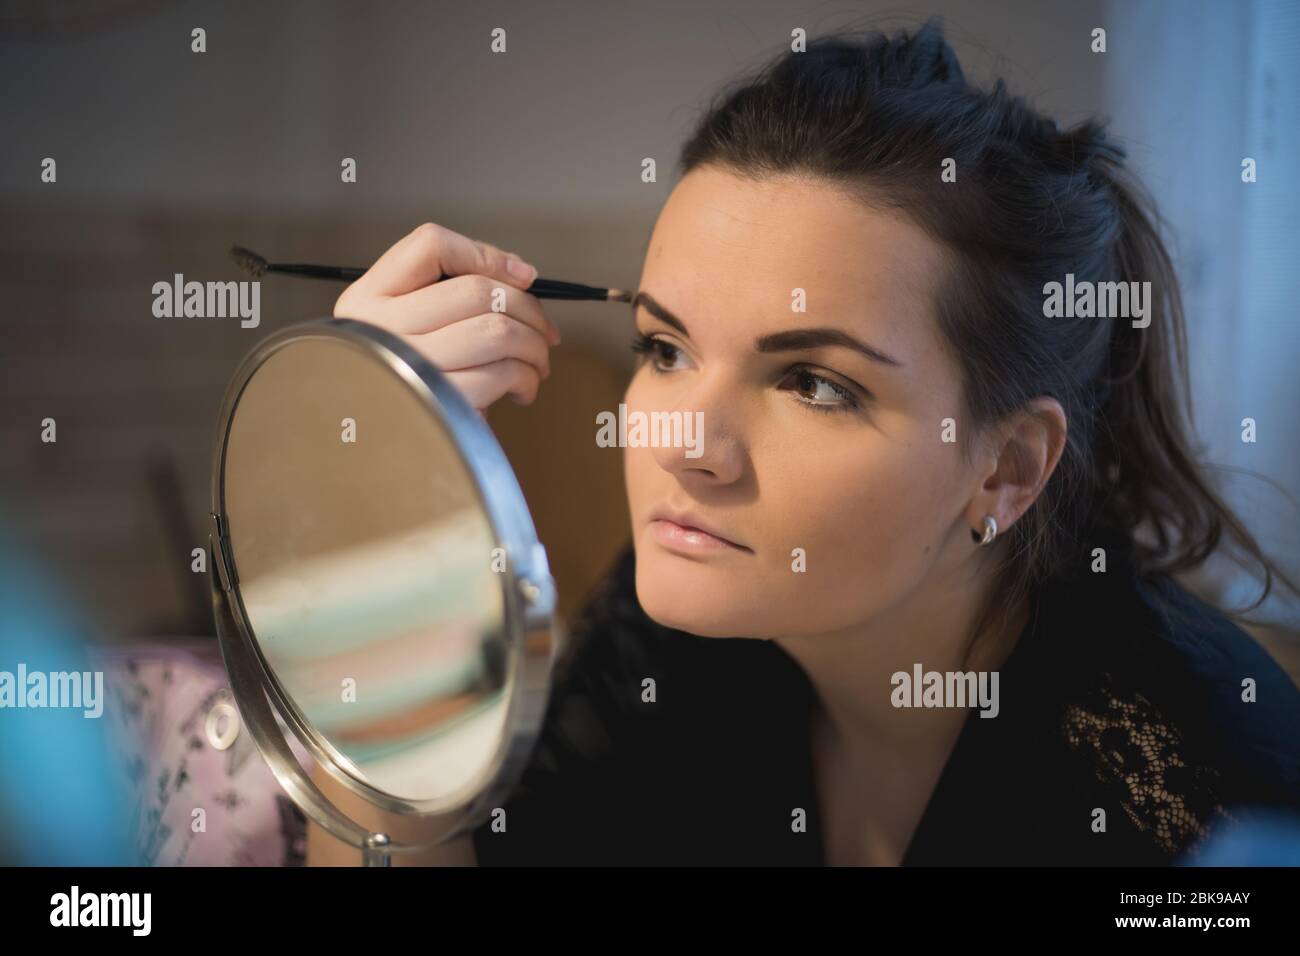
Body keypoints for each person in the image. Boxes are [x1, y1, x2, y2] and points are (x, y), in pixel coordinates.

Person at [307, 22, 1300, 867]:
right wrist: (384, 501)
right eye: (665, 347)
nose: (684, 446)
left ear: (1003, 468)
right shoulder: (680, 638)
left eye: (814, 383)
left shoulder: (1186, 784)